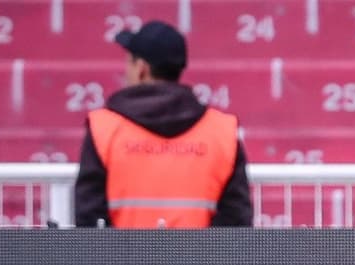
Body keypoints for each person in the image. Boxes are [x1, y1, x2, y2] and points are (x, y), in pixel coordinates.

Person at [74, 20, 252, 228]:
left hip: (123, 260)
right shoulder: (221, 132)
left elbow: (89, 217)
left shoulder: (103, 128)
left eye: (128, 63)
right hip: (199, 260)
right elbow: (236, 221)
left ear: (141, 69)